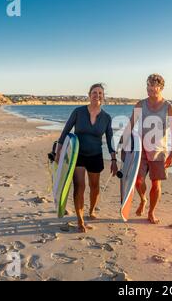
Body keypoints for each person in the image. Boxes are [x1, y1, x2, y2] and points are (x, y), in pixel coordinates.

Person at [56, 83, 118, 233]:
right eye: (94, 92)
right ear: (89, 95)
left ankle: (91, 211)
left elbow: (110, 139)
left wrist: (114, 159)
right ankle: (80, 219)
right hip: (77, 154)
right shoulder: (78, 112)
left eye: (100, 93)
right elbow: (66, 130)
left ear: (103, 97)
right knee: (79, 186)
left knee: (94, 186)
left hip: (95, 155)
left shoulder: (106, 118)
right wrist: (59, 150)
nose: (97, 95)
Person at [123, 74, 172, 224]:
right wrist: (123, 144)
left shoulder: (168, 107)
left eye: (152, 86)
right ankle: (143, 199)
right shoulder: (141, 105)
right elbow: (130, 124)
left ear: (160, 88)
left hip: (159, 152)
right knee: (137, 181)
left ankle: (151, 212)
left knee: (156, 183)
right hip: (140, 150)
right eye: (147, 85)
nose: (149, 88)